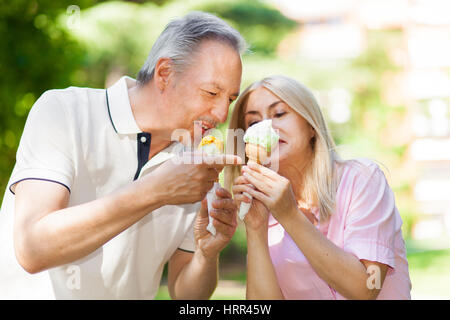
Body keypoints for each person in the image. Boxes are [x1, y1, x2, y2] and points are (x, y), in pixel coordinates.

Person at [0, 11, 246, 299]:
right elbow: (33, 249)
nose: (221, 114)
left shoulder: (198, 166)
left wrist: (206, 253)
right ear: (165, 73)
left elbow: (186, 294)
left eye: (230, 99)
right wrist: (157, 190)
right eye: (210, 92)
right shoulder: (64, 111)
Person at [227, 75, 411, 300]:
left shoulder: (362, 179)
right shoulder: (263, 208)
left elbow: (366, 288)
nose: (266, 126)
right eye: (254, 123)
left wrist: (290, 215)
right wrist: (255, 230)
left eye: (279, 114)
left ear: (311, 125)